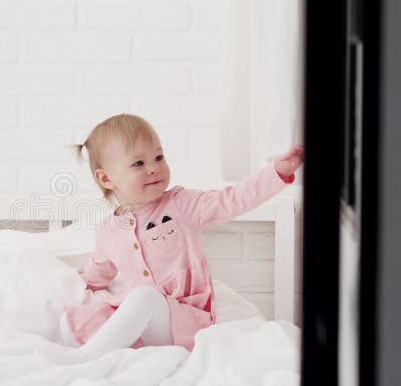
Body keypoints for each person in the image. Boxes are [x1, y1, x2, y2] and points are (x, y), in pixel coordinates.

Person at [40, 113, 304, 364]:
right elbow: (96, 276)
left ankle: (84, 359)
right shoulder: (108, 230)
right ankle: (96, 349)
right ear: (107, 178)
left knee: (145, 297)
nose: (154, 168)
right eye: (139, 163)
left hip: (184, 321)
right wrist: (70, 285)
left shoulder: (181, 205)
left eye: (159, 157)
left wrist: (276, 173)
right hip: (144, 324)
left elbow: (232, 200)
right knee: (73, 320)